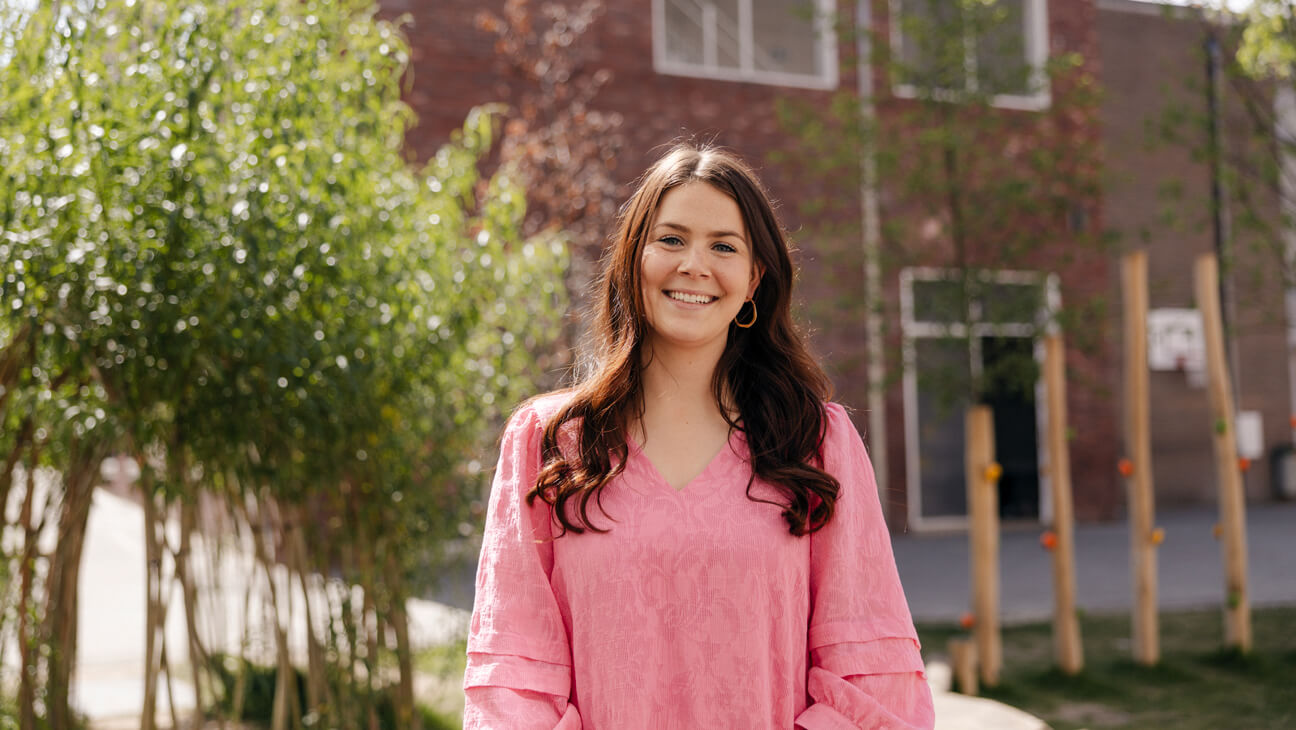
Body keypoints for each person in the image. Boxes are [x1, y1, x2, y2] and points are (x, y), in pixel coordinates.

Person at [464, 144, 935, 729]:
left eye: (723, 246)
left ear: (753, 278)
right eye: (670, 239)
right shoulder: (549, 442)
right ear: (633, 258)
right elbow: (513, 673)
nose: (694, 264)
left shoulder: (815, 440)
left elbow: (871, 673)